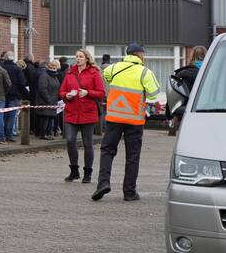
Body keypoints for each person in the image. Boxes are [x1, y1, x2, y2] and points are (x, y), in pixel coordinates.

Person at [92, 43, 162, 202]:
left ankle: (103, 183)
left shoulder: (114, 68)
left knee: (107, 151)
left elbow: (106, 78)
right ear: (140, 55)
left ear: (127, 54)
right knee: (132, 156)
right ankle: (129, 192)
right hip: (134, 120)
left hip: (114, 118)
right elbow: (153, 94)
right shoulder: (145, 72)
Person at [59, 49, 105, 183]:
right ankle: (74, 171)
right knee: (70, 140)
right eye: (76, 56)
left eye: (80, 56)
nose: (77, 59)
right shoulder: (70, 73)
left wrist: (88, 92)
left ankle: (88, 173)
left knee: (87, 143)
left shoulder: (94, 73)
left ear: (86, 58)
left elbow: (101, 93)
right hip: (71, 112)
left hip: (88, 113)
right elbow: (62, 90)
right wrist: (65, 95)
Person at [1, 51, 27, 141]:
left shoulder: (1, 67)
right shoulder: (17, 69)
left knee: (2, 115)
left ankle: (1, 135)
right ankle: (9, 135)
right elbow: (22, 83)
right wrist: (25, 94)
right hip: (15, 95)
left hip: (3, 95)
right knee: (12, 116)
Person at [33, 60, 61, 139]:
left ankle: (48, 133)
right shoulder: (44, 76)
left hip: (53, 100)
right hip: (45, 101)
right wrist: (48, 99)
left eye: (54, 68)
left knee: (50, 118)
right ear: (48, 67)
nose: (52, 69)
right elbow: (42, 89)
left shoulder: (55, 76)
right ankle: (43, 134)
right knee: (45, 118)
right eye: (51, 67)